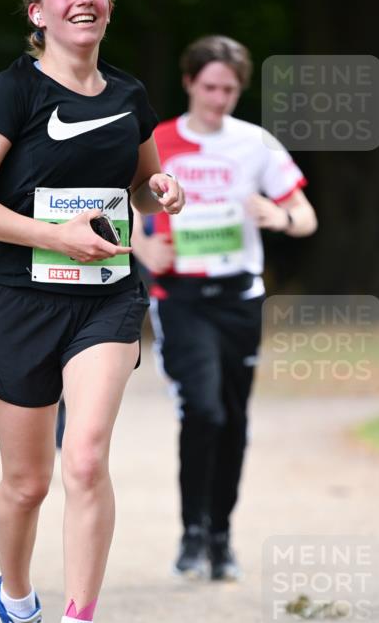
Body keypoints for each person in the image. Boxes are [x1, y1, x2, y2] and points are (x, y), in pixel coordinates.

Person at [0, 0, 184, 623]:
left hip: (104, 299)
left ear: (108, 4)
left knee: (84, 459)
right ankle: (17, 603)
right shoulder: (12, 91)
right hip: (17, 301)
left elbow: (139, 185)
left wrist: (160, 190)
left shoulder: (130, 93)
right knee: (27, 483)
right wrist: (55, 235)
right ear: (38, 10)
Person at [133, 35, 317, 581]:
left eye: (229, 90)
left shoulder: (255, 143)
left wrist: (280, 217)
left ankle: (221, 535)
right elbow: (122, 207)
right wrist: (144, 248)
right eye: (210, 86)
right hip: (181, 296)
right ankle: (192, 531)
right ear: (189, 82)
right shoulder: (159, 140)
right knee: (203, 409)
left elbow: (305, 215)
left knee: (234, 417)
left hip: (239, 296)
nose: (218, 98)